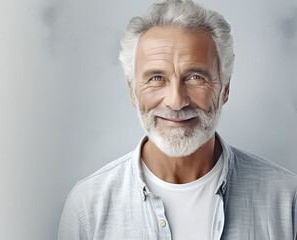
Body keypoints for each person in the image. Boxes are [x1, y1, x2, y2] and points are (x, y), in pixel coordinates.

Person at [58, 0, 297, 239]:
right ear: (132, 91)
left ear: (225, 88)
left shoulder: (286, 200)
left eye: (195, 77)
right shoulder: (87, 207)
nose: (176, 101)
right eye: (156, 78)